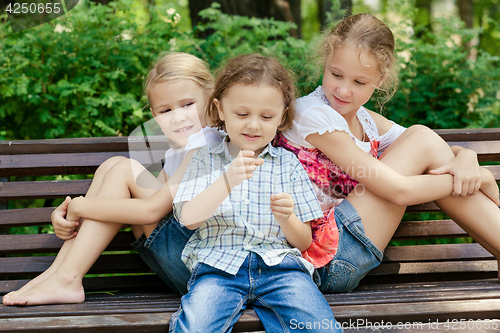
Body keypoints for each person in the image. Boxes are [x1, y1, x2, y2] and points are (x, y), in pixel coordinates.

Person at [274, 13, 500, 294]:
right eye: (335, 74)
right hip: (320, 261)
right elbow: (399, 191)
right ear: (325, 63)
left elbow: (435, 150)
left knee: (422, 136)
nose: (343, 89)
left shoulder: (366, 121)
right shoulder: (313, 115)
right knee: (422, 137)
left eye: (359, 82)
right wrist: (480, 177)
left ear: (380, 79)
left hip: (341, 248)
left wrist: (467, 158)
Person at [2, 52, 224, 306]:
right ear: (154, 114)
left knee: (122, 170)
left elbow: (152, 211)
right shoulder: (181, 151)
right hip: (185, 265)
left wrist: (78, 206)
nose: (178, 116)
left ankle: (67, 278)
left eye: (187, 104)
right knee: (113, 165)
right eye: (166, 110)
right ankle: (56, 274)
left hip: (206, 272)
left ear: (212, 100)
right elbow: (158, 201)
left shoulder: (208, 146)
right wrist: (76, 209)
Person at [168, 54, 341, 332]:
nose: (253, 125)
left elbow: (304, 241)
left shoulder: (288, 164)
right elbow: (188, 219)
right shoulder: (204, 160)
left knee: (321, 328)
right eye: (242, 114)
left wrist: (287, 219)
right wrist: (226, 180)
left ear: (282, 115)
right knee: (195, 327)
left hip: (282, 271)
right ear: (220, 109)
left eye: (266, 116)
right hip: (218, 269)